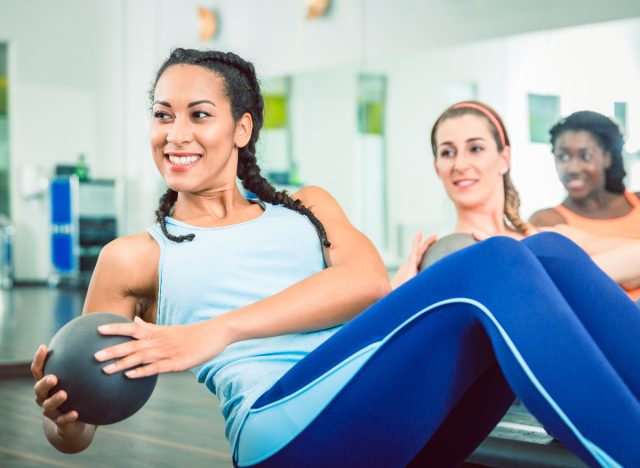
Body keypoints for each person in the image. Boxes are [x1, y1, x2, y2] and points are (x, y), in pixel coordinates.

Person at [32, 51, 640, 467]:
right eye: (162, 115)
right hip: (283, 431)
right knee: (500, 262)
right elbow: (79, 432)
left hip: (372, 403)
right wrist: (65, 419)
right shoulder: (133, 256)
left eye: (199, 114)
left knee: (549, 251)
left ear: (242, 130)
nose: (176, 132)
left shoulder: (307, 205)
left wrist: (214, 331)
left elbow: (365, 284)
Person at [393, 102, 640, 302]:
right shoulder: (432, 264)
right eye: (447, 152)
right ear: (438, 167)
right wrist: (398, 298)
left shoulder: (549, 239)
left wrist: (542, 268)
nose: (460, 165)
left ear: (504, 158)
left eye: (475, 149)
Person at [529, 110, 640, 238]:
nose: (573, 169)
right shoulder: (547, 222)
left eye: (586, 156)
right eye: (563, 157)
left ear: (607, 158)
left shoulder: (637, 202)